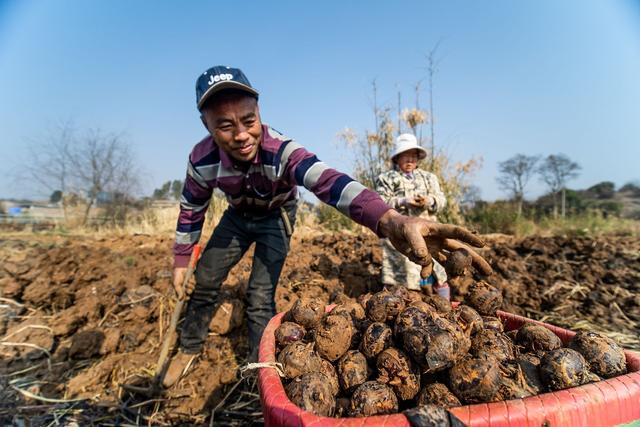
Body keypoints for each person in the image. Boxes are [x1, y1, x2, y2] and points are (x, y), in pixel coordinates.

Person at [163, 65, 492, 387]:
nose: (241, 134)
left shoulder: (281, 150)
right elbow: (192, 209)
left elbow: (329, 182)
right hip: (236, 218)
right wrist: (181, 260)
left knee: (260, 294)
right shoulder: (201, 160)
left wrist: (391, 220)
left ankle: (259, 371)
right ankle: (189, 346)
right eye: (224, 126)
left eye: (249, 121)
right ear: (206, 125)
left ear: (259, 111)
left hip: (276, 216)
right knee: (204, 278)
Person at [376, 134, 450, 298]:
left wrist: (429, 201)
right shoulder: (386, 178)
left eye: (413, 156)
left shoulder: (429, 178)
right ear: (397, 159)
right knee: (399, 281)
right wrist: (403, 201)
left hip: (428, 232)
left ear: (418, 158)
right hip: (398, 234)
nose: (409, 160)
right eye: (405, 156)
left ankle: (445, 311)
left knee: (438, 275)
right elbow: (380, 203)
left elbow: (441, 200)